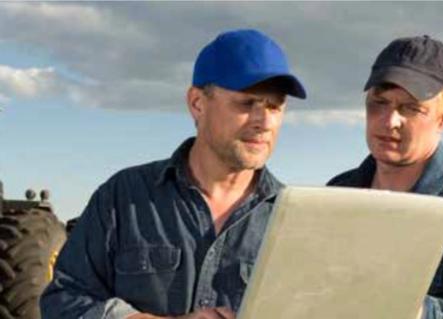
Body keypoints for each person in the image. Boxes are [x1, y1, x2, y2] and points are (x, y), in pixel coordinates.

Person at [40, 29, 306, 319]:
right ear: (197, 103)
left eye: (275, 106)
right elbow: (62, 300)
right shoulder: (123, 197)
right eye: (247, 103)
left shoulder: (294, 222)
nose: (265, 122)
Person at [328, 35, 443, 318]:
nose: (390, 121)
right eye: (380, 102)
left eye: (411, 108)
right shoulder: (335, 195)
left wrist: (415, 309)